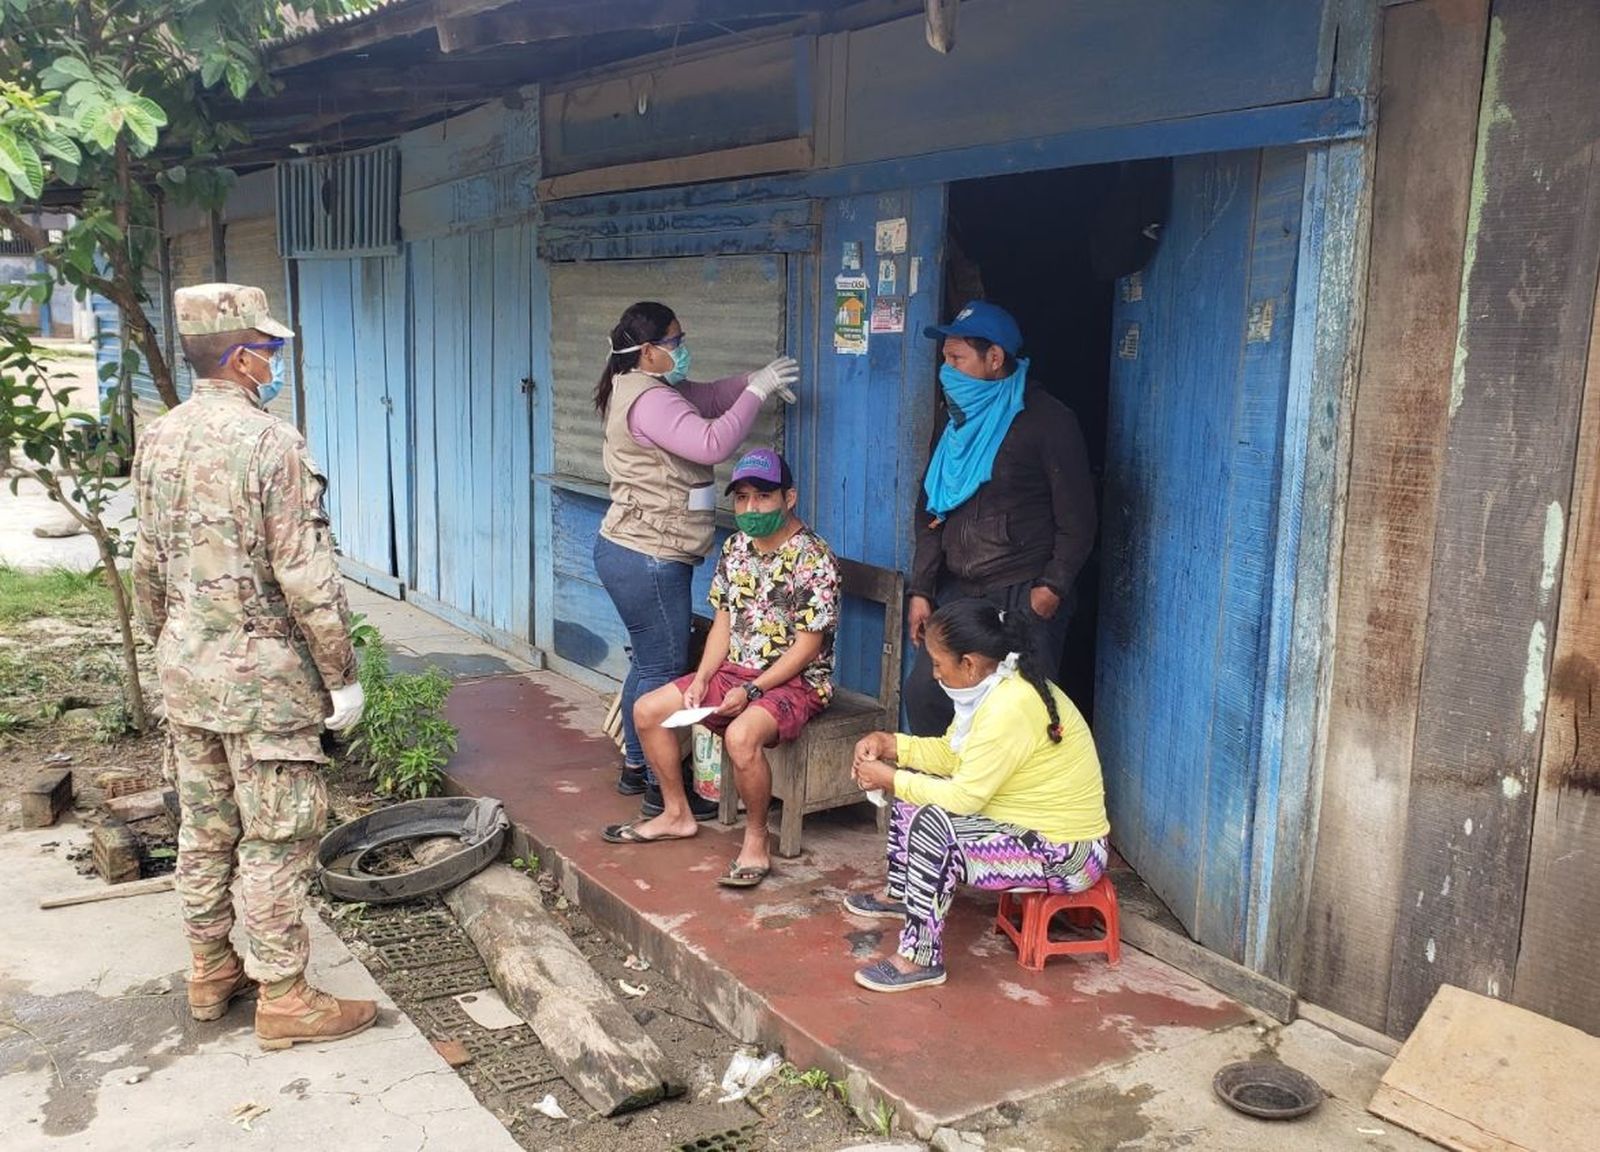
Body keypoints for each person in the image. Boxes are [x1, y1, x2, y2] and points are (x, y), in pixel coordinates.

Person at [132, 283, 376, 1049]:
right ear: (241, 358)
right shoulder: (272, 444)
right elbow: (306, 577)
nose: (274, 364)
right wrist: (341, 675)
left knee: (205, 831)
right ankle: (285, 996)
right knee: (276, 837)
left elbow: (146, 564)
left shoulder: (159, 436)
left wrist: (165, 647)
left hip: (186, 672)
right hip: (262, 679)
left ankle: (211, 972)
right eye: (268, 351)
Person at [592, 301, 798, 819]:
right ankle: (660, 788)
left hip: (635, 547)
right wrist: (759, 391)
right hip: (649, 554)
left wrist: (754, 378)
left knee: (649, 659)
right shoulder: (649, 400)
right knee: (663, 666)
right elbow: (711, 443)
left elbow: (706, 396)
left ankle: (636, 765)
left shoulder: (648, 386)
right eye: (676, 341)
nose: (683, 349)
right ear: (649, 351)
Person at [845, 599, 1110, 992]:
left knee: (932, 821)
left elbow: (964, 798)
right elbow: (954, 755)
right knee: (914, 782)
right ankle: (903, 893)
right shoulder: (993, 685)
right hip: (1028, 829)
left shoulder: (1010, 705)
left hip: (1069, 854)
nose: (934, 674)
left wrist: (889, 778)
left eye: (938, 664)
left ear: (968, 663)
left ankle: (919, 959)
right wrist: (892, 745)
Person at [603, 449, 839, 889]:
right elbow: (723, 625)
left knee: (740, 735)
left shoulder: (815, 559)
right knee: (647, 709)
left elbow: (809, 647)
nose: (750, 509)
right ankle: (676, 813)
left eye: (763, 497)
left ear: (789, 497)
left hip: (797, 681)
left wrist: (752, 692)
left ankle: (755, 839)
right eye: (743, 498)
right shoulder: (735, 549)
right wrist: (706, 678)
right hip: (735, 673)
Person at [904, 300, 1097, 735]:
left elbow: (1078, 518)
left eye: (957, 359)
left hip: (1023, 591)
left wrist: (1052, 586)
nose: (946, 371)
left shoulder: (1047, 420)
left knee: (1027, 712)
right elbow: (933, 512)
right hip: (961, 593)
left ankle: (1020, 805)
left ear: (995, 359)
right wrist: (922, 589)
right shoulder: (954, 425)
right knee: (927, 694)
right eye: (944, 359)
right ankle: (946, 801)